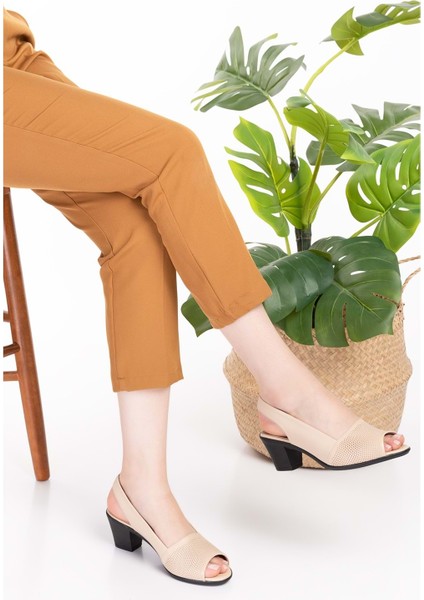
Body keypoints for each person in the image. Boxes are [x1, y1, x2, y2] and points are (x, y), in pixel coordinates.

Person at [3, 6, 410, 587]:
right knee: (171, 152)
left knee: (138, 232)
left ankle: (140, 487)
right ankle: (287, 392)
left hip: (12, 52)